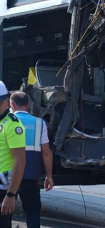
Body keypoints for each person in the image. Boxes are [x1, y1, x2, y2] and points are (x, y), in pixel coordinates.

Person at [10, 92, 54, 228]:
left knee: (5, 213)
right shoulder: (40, 123)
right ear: (29, 105)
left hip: (9, 177)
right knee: (33, 212)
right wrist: (49, 176)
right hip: (31, 177)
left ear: (11, 104)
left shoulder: (5, 122)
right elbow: (46, 153)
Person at [0, 81, 26, 228]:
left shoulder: (13, 124)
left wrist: (11, 195)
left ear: (7, 101)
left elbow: (20, 160)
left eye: (0, 102)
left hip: (3, 188)